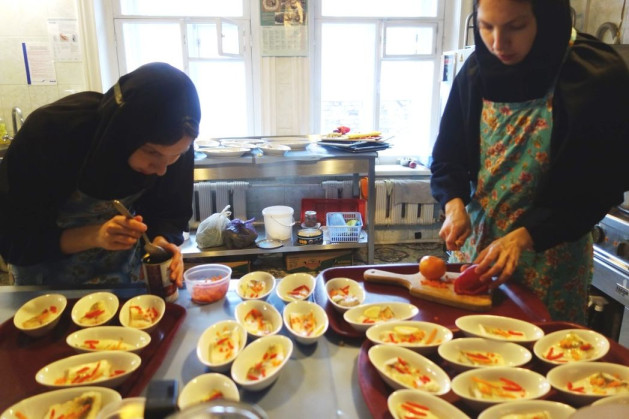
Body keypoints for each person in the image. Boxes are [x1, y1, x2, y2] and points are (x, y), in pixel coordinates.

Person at [431, 0, 629, 323]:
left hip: (551, 264)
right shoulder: (477, 70)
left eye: (516, 27)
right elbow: (447, 156)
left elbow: (597, 188)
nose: (498, 43)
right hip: (479, 256)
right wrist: (453, 205)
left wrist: (525, 236)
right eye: (486, 27)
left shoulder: (593, 75)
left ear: (545, 17)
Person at [0, 62, 201, 288]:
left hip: (121, 274)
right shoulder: (51, 133)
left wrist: (160, 242)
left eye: (176, 155)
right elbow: (13, 238)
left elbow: (168, 212)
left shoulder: (176, 141)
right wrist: (95, 236)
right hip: (44, 281)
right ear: (123, 132)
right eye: (152, 152)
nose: (162, 169)